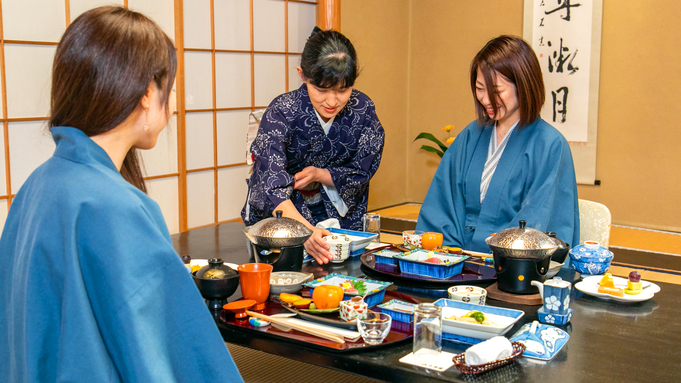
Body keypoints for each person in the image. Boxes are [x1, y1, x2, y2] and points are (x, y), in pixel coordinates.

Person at [0, 6, 243, 382]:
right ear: (148, 92)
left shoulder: (36, 186)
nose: (174, 103)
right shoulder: (113, 206)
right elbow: (165, 353)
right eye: (171, 89)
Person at [416, 35, 580, 253]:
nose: (485, 99)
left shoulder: (550, 146)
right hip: (458, 266)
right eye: (479, 88)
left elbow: (539, 220)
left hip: (511, 269)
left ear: (523, 85)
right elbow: (442, 206)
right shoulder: (470, 136)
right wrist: (450, 260)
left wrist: (501, 260)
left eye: (496, 91)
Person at [242, 28, 385, 264]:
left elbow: (365, 166)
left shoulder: (363, 108)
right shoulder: (282, 111)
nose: (332, 101)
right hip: (286, 219)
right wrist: (304, 231)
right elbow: (271, 181)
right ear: (302, 74)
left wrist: (321, 174)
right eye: (321, 89)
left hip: (341, 218)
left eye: (343, 90)